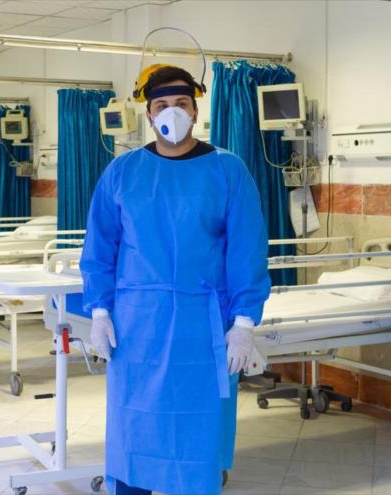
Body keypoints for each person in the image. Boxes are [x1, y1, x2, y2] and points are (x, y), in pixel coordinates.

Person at [79, 64, 271, 495]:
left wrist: (243, 323)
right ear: (148, 114)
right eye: (162, 104)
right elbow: (100, 249)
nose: (172, 112)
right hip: (136, 328)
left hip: (202, 328)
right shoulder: (122, 172)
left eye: (181, 103)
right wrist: (100, 311)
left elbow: (247, 249)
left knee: (198, 439)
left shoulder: (227, 171)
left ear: (196, 110)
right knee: (135, 430)